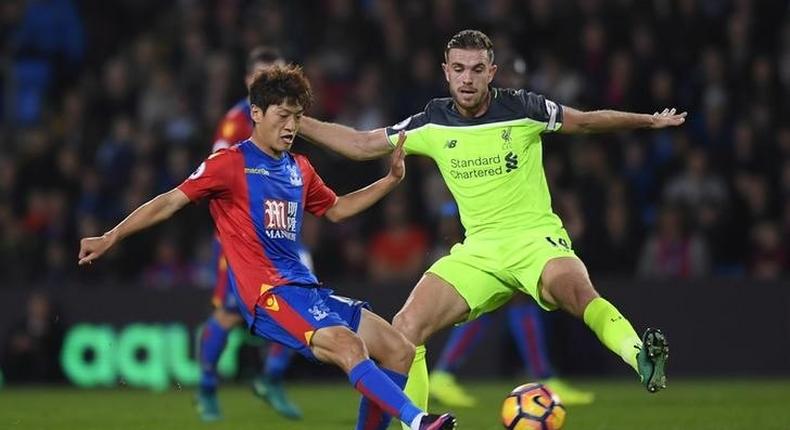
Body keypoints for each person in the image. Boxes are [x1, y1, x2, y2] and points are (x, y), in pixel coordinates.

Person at [297, 30, 681, 417]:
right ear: (446, 72)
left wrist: (647, 121)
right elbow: (363, 144)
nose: (467, 78)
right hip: (479, 252)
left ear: (491, 72)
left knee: (579, 294)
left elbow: (584, 122)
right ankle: (418, 425)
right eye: (459, 69)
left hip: (536, 240)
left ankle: (639, 357)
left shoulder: (523, 109)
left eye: (477, 69)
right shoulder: (433, 121)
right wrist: (298, 121)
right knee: (405, 328)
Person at [78, 64, 457, 430]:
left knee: (399, 349)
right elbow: (169, 201)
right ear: (256, 113)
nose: (291, 126)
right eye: (283, 115)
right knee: (349, 346)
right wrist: (110, 236)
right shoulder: (229, 164)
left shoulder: (300, 168)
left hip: (305, 288)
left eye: (297, 116)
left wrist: (390, 180)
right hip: (269, 294)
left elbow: (338, 210)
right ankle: (418, 420)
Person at [428, 56, 594, 408]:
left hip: (513, 232)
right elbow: (455, 185)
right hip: (484, 233)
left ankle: (446, 374)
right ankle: (540, 376)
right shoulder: (467, 121)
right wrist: (448, 221)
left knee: (502, 302)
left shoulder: (521, 121)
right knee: (508, 297)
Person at [197, 46, 302, 422]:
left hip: (281, 234)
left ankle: (270, 378)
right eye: (261, 76)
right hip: (239, 240)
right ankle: (207, 388)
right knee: (228, 314)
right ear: (247, 81)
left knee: (301, 302)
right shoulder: (236, 122)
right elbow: (213, 178)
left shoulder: (290, 116)